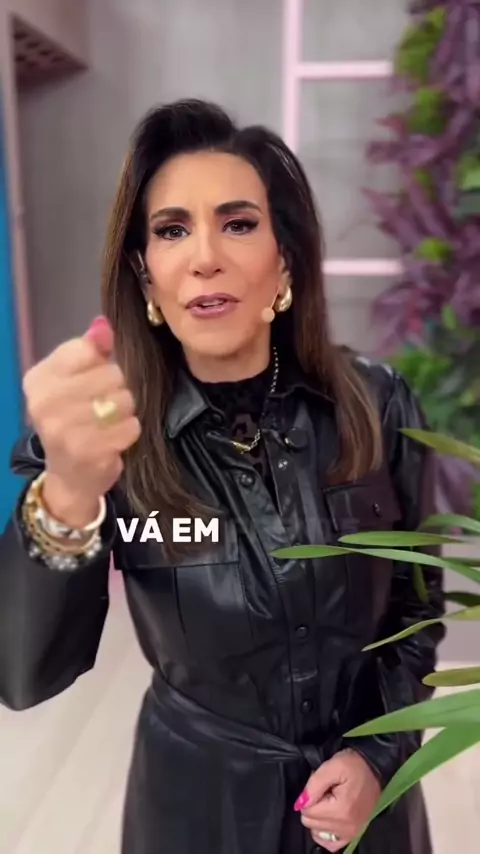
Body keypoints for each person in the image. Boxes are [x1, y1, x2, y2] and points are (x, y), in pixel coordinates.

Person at [0, 99, 444, 854]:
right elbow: (23, 675)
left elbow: (416, 608)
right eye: (172, 230)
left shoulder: (377, 404)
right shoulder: (111, 432)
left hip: (369, 816)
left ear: (285, 260)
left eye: (238, 224)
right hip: (197, 812)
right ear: (145, 275)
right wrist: (69, 492)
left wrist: (379, 757)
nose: (205, 256)